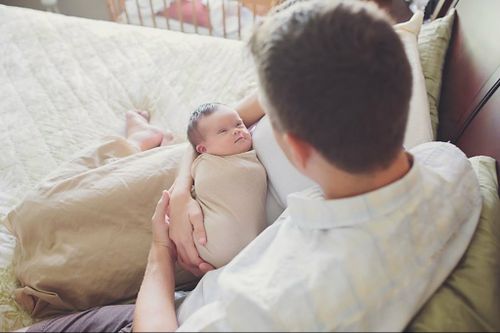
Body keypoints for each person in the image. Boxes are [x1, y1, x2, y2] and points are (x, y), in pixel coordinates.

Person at [23, 0, 482, 331]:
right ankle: (136, 142)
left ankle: (135, 142)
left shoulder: (267, 304)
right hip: (208, 201)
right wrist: (185, 184)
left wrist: (158, 252)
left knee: (48, 240)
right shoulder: (449, 163)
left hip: (178, 303)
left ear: (296, 147)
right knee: (46, 212)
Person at [183, 102, 267, 268]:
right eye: (222, 131)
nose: (236, 130)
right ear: (202, 149)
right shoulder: (204, 163)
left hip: (248, 253)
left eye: (239, 124)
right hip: (198, 249)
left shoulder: (251, 151)